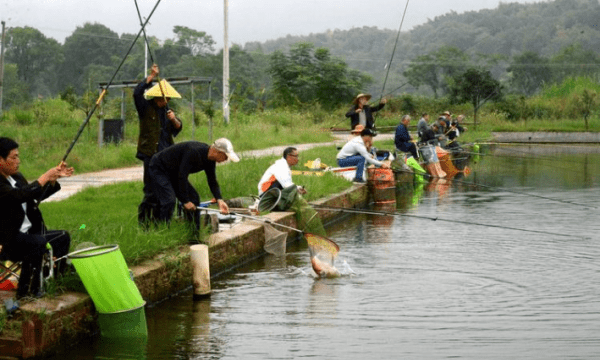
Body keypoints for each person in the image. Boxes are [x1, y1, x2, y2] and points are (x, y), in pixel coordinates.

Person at [0, 137, 72, 299]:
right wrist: (43, 178)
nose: (18, 161)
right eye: (13, 157)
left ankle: (54, 281)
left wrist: (52, 181)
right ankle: (27, 291)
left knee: (62, 237)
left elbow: (33, 196)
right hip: (9, 240)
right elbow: (18, 195)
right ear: (0, 160)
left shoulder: (16, 177)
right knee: (37, 243)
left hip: (29, 235)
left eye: (18, 156)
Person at [148, 139, 239, 230]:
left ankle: (193, 235)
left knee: (194, 199)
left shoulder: (210, 160)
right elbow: (182, 176)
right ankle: (161, 230)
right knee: (169, 200)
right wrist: (185, 201)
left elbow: (212, 180)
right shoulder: (194, 151)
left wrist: (219, 200)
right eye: (225, 157)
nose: (225, 160)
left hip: (174, 173)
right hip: (159, 168)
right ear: (218, 152)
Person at [134, 64, 183, 225]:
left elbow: (178, 127)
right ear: (158, 97)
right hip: (150, 154)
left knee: (165, 189)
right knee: (150, 191)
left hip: (166, 156)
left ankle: (162, 221)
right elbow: (136, 93)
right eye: (165, 98)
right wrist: (151, 77)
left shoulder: (168, 112)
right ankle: (145, 222)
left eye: (168, 99)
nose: (167, 101)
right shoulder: (145, 108)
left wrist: (173, 119)